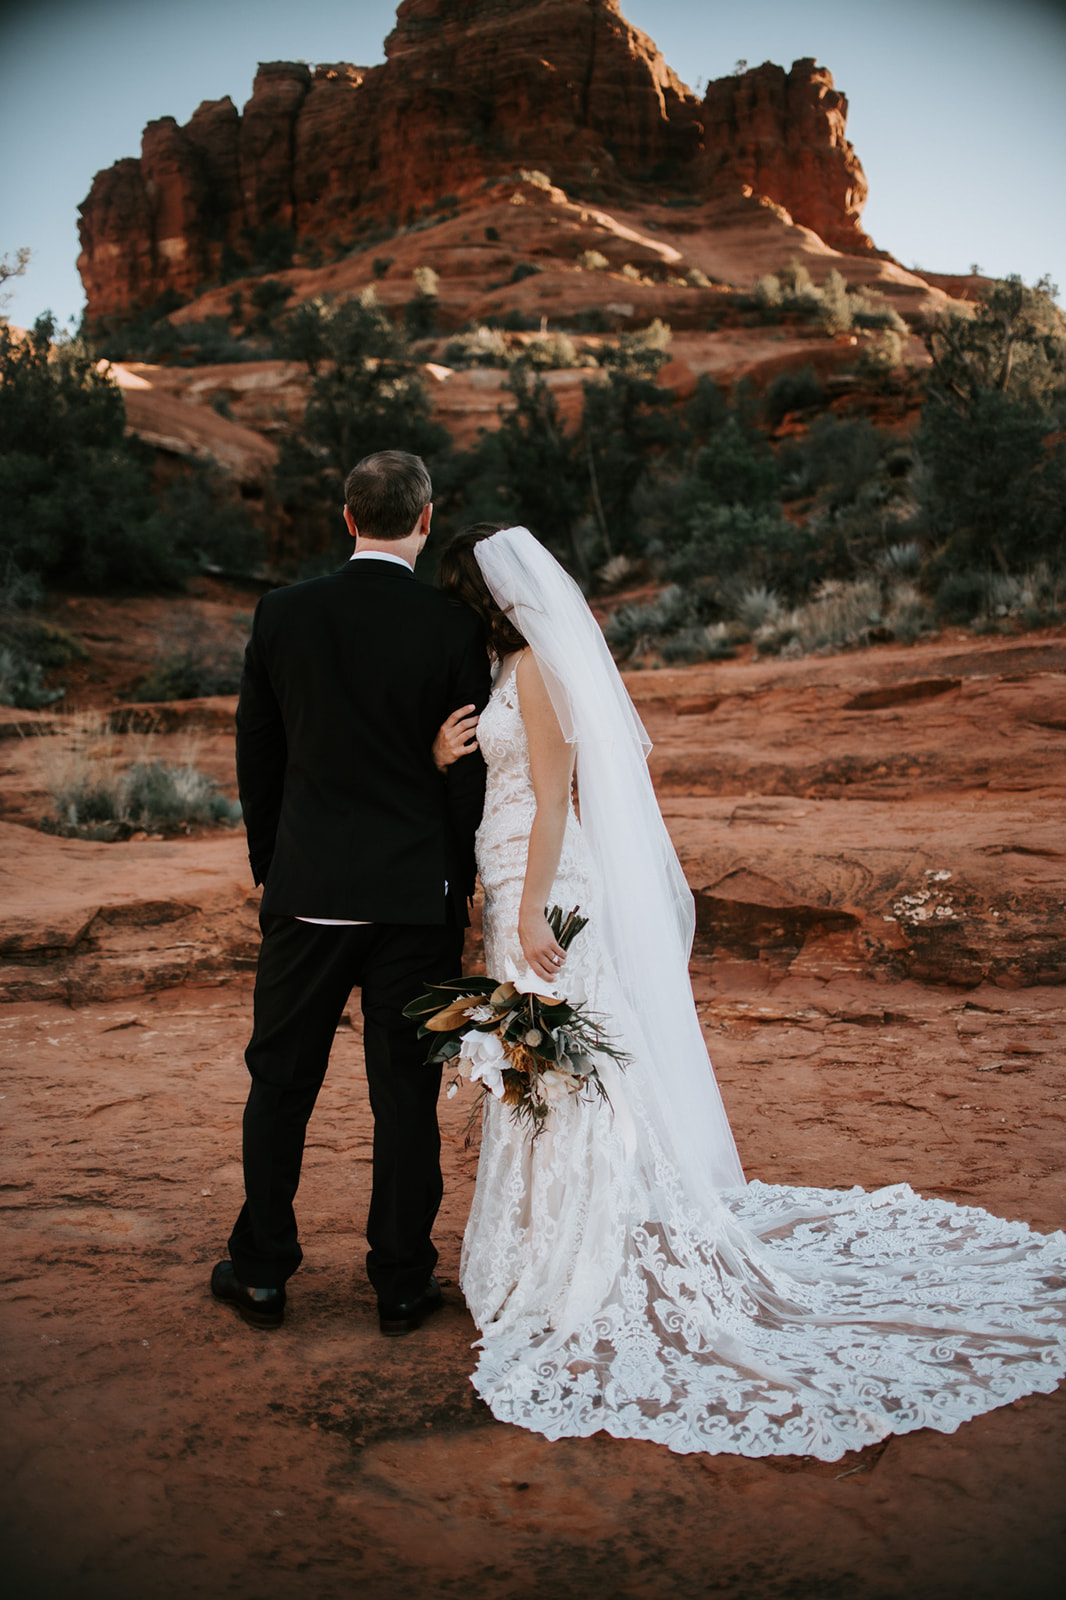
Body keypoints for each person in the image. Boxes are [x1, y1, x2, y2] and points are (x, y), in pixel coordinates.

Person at [435, 522, 1066, 1461]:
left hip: (543, 884)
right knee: (551, 1059)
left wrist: (531, 910)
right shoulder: (513, 665)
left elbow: (558, 791)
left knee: (566, 1059)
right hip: (511, 873)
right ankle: (543, 1244)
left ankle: (579, 1256)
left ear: (488, 596)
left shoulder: (535, 670)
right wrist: (455, 760)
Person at [211, 451, 491, 1335]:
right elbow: (465, 771)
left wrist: (278, 869)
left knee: (280, 1082)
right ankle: (403, 1283)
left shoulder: (285, 614)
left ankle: (261, 1272)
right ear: (426, 520)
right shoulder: (453, 628)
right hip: (416, 900)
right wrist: (457, 882)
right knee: (404, 1095)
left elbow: (259, 756)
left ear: (346, 519)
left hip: (311, 894)